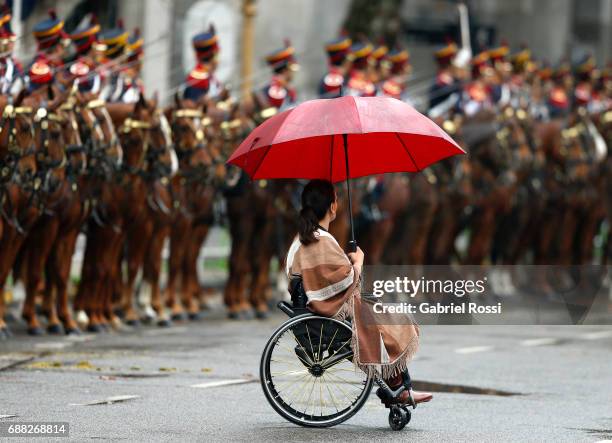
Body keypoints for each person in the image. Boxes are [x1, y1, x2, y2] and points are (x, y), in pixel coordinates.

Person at [285, 180, 433, 406]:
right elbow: (345, 280)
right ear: (333, 207)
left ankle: (398, 389)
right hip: (328, 317)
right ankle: (400, 390)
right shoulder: (321, 240)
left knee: (379, 311)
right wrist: (359, 262)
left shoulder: (303, 238)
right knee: (388, 318)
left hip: (312, 310)